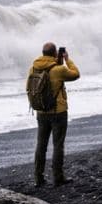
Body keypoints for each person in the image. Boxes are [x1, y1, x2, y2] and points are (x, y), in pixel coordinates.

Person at [26, 42, 80, 187]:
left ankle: (38, 178)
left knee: (41, 145)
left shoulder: (33, 68)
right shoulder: (59, 69)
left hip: (41, 111)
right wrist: (67, 59)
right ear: (55, 53)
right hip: (58, 112)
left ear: (43, 53)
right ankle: (58, 177)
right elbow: (76, 74)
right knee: (58, 145)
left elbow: (28, 88)